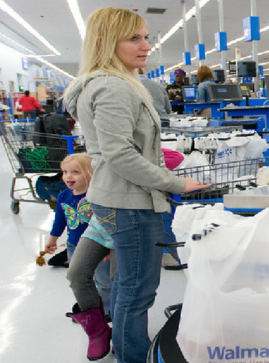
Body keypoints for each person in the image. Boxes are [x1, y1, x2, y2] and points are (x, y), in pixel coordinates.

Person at [63, 7, 210, 363]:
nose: (146, 46)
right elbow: (121, 156)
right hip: (130, 202)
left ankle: (121, 345)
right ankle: (133, 356)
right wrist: (176, 182)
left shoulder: (101, 84)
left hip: (114, 198)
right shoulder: (114, 88)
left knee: (125, 285)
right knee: (136, 290)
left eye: (146, 37)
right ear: (104, 42)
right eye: (134, 38)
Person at [65, 148, 185, 361]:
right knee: (76, 274)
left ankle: (123, 338)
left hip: (129, 223)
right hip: (100, 225)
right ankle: (98, 331)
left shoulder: (128, 150)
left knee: (120, 284)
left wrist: (134, 149)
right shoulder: (96, 155)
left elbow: (175, 157)